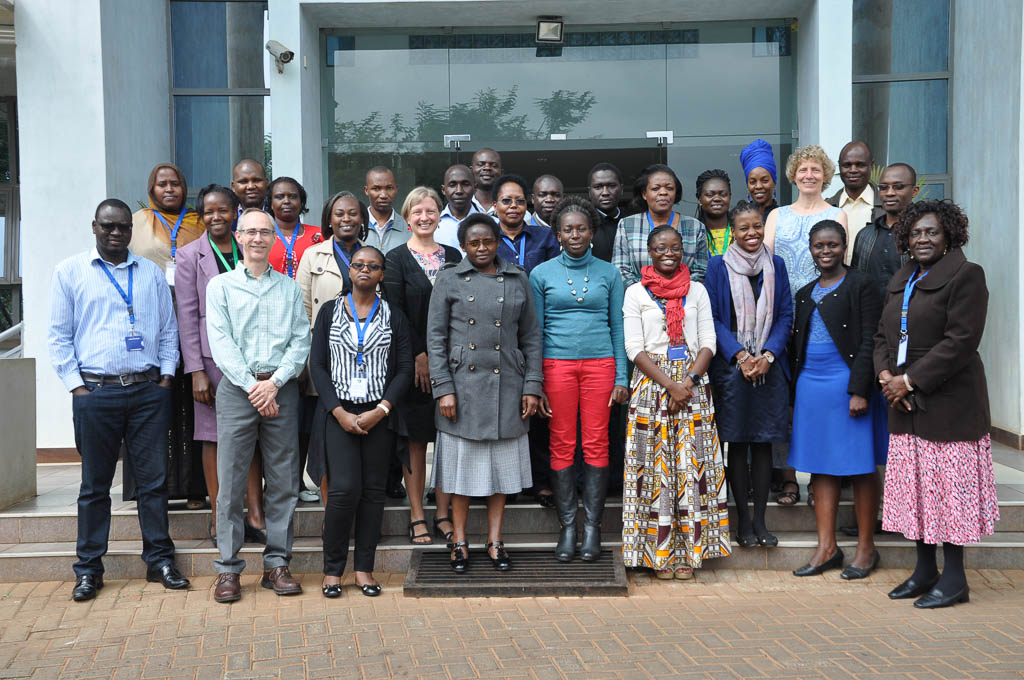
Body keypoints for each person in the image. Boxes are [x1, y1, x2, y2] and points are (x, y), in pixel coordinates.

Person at [48, 198, 189, 601]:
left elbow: (167, 329)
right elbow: (58, 336)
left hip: (147, 392)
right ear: (95, 226)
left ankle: (159, 560)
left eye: (122, 227)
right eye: (108, 226)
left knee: (154, 482)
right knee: (94, 486)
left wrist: (165, 377)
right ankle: (89, 569)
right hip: (97, 393)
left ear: (131, 229)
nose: (115, 233)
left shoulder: (149, 273)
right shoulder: (70, 271)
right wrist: (78, 388)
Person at [874, 200, 998, 609]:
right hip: (904, 405)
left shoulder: (966, 275)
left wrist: (909, 381)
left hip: (949, 404)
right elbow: (881, 336)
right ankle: (925, 570)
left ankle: (956, 579)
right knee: (916, 492)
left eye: (932, 232)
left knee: (949, 494)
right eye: (916, 233)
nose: (922, 239)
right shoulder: (903, 276)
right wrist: (886, 379)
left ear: (949, 236)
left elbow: (961, 341)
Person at [426, 213, 544, 573]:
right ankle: (459, 540)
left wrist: (532, 387)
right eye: (474, 242)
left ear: (498, 243)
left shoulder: (517, 278)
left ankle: (495, 540)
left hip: (508, 385)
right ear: (463, 245)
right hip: (462, 389)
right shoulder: (449, 278)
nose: (481, 248)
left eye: (487, 241)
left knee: (501, 474)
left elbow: (532, 338)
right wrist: (443, 389)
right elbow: (435, 338)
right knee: (462, 476)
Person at [206, 209, 311, 603]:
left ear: (272, 239)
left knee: (283, 482)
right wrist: (255, 387)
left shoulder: (289, 288)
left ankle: (277, 565)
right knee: (230, 483)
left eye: (264, 232)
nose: (257, 238)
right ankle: (229, 570)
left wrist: (276, 384)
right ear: (238, 236)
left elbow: (300, 341)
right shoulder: (220, 287)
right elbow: (221, 342)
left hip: (280, 389)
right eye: (250, 231)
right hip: (239, 389)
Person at [621, 226, 729, 579]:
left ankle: (687, 554)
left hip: (693, 385)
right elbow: (634, 348)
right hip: (652, 387)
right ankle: (657, 553)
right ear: (649, 252)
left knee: (689, 468)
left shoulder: (697, 290)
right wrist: (670, 385)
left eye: (675, 247)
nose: (669, 253)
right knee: (653, 470)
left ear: (684, 251)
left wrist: (688, 382)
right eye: (660, 248)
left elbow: (708, 340)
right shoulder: (635, 293)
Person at [307, 246, 413, 598]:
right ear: (349, 271)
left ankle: (364, 569)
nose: (365, 270)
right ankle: (332, 570)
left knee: (372, 493)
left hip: (378, 415)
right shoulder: (328, 312)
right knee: (343, 491)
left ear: (382, 274)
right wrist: (338, 411)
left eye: (373, 266)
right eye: (359, 265)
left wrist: (381, 410)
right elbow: (318, 365)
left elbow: (404, 369)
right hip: (338, 414)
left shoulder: (394, 316)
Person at [529, 197, 627, 562]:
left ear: (592, 232)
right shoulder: (541, 274)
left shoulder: (610, 273)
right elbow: (535, 333)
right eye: (567, 229)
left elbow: (618, 326)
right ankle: (568, 527)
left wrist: (621, 375)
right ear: (557, 234)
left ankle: (592, 529)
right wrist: (535, 382)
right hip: (556, 366)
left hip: (601, 365)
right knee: (562, 443)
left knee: (597, 443)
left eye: (581, 228)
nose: (575, 234)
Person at [788, 220, 886, 579]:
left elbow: (869, 340)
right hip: (811, 387)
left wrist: (861, 389)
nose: (825, 251)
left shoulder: (862, 285)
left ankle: (866, 548)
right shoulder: (804, 292)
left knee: (860, 466)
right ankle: (826, 547)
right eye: (818, 246)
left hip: (847, 386)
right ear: (810, 249)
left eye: (832, 245)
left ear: (844, 247)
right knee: (820, 467)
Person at [175, 185, 267, 544]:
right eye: (209, 212)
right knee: (213, 436)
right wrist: (196, 369)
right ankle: (218, 518)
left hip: (253, 358)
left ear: (236, 214)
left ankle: (255, 514)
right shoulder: (188, 256)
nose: (217, 217)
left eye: (224, 211)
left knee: (252, 434)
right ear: (202, 216)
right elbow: (186, 316)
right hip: (212, 364)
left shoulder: (252, 248)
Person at [705, 200, 793, 548]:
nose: (752, 233)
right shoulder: (717, 266)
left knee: (763, 445)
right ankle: (742, 521)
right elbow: (711, 317)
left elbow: (786, 314)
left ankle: (761, 520)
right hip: (732, 370)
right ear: (733, 231)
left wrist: (768, 354)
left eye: (757, 226)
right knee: (737, 445)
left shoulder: (778, 265)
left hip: (770, 369)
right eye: (744, 227)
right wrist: (741, 355)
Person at [764, 145, 847, 507]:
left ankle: (818, 479)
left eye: (816, 169)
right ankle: (787, 478)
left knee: (818, 402)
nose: (809, 175)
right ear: (793, 175)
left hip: (824, 319)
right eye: (803, 169)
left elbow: (846, 266)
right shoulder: (776, 216)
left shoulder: (838, 215)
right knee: (786, 400)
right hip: (783, 315)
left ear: (825, 175)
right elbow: (764, 268)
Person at [382, 187, 462, 546]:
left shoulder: (455, 256)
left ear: (439, 214)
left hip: (454, 363)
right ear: (408, 216)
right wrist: (419, 355)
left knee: (449, 438)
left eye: (431, 211)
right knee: (414, 440)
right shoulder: (396, 258)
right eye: (417, 212)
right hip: (412, 363)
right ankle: (417, 516)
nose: (424, 217)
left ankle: (443, 513)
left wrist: (442, 356)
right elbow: (395, 312)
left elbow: (462, 310)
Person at [129, 162, 205, 507]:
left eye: (176, 183)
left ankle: (193, 488)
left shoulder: (200, 222)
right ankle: (152, 488)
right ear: (151, 189)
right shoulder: (135, 222)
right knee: (154, 407)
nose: (169, 189)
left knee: (194, 408)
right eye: (162, 184)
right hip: (149, 327)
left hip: (192, 324)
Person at [613, 163, 709, 285]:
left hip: (684, 299)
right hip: (641, 300)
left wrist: (672, 291)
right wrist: (651, 292)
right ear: (644, 194)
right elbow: (621, 271)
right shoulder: (627, 225)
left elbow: (701, 271)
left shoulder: (695, 227)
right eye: (655, 188)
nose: (663, 192)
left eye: (669, 188)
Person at [297, 192, 369, 318]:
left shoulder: (373, 256)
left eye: (353, 213)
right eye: (339, 214)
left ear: (362, 218)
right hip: (325, 333)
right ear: (329, 220)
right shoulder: (312, 255)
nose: (346, 218)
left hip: (367, 332)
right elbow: (303, 306)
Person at [851, 163, 918, 297]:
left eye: (898, 187)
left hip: (912, 314)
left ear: (915, 191)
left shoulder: (923, 234)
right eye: (883, 187)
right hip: (872, 315)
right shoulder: (865, 235)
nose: (890, 193)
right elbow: (855, 282)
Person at [828, 141, 885, 264]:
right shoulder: (827, 207)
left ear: (872, 165)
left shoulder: (886, 207)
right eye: (847, 165)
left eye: (860, 165)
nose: (853, 170)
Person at [493, 174, 560, 274]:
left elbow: (556, 275)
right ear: (495, 206)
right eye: (506, 201)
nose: (514, 205)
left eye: (520, 201)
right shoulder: (488, 240)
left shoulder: (546, 236)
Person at [266, 176, 321, 280]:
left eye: (293, 197)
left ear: (301, 202)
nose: (286, 201)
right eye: (279, 197)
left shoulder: (319, 235)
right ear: (271, 203)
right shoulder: (261, 236)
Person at [364, 166, 411, 253]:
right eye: (376, 188)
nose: (383, 195)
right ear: (366, 190)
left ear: (396, 189)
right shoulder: (357, 226)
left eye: (389, 188)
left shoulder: (409, 228)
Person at [586, 162, 627, 263]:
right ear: (589, 192)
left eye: (612, 186)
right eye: (598, 187)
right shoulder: (583, 223)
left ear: (621, 189)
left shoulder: (632, 220)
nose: (605, 192)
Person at [437, 164, 478, 251]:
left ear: (475, 188)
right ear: (443, 190)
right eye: (452, 185)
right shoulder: (432, 226)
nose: (459, 191)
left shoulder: (492, 224)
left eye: (465, 184)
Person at [695, 169, 733, 257]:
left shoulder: (741, 231)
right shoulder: (694, 233)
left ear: (730, 197)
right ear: (699, 199)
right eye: (709, 195)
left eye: (723, 194)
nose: (717, 199)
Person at [739, 139, 779, 220]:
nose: (758, 186)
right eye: (752, 182)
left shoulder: (784, 218)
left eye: (764, 180)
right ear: (747, 185)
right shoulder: (740, 219)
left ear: (774, 182)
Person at [471, 148, 503, 214]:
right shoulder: (461, 206)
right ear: (471, 171)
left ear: (501, 173)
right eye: (480, 164)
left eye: (494, 165)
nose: (487, 168)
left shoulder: (515, 211)